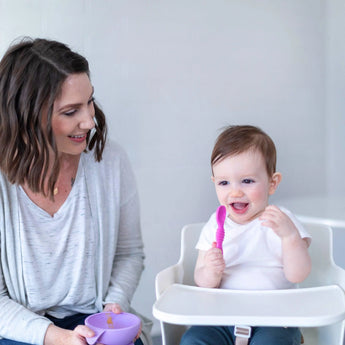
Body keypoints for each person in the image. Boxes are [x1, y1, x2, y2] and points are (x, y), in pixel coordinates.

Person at [0, 37, 152, 345]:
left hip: (93, 318)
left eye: (90, 102)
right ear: (28, 117)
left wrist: (114, 308)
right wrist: (59, 338)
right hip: (22, 327)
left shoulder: (109, 161)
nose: (90, 121)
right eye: (71, 111)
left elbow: (129, 254)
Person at [180, 125, 312, 345]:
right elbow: (202, 281)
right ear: (214, 183)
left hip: (275, 320)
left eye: (247, 181)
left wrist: (290, 238)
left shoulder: (282, 221)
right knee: (193, 339)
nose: (235, 191)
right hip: (221, 318)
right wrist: (210, 272)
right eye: (224, 182)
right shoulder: (216, 223)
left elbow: (298, 275)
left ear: (273, 183)